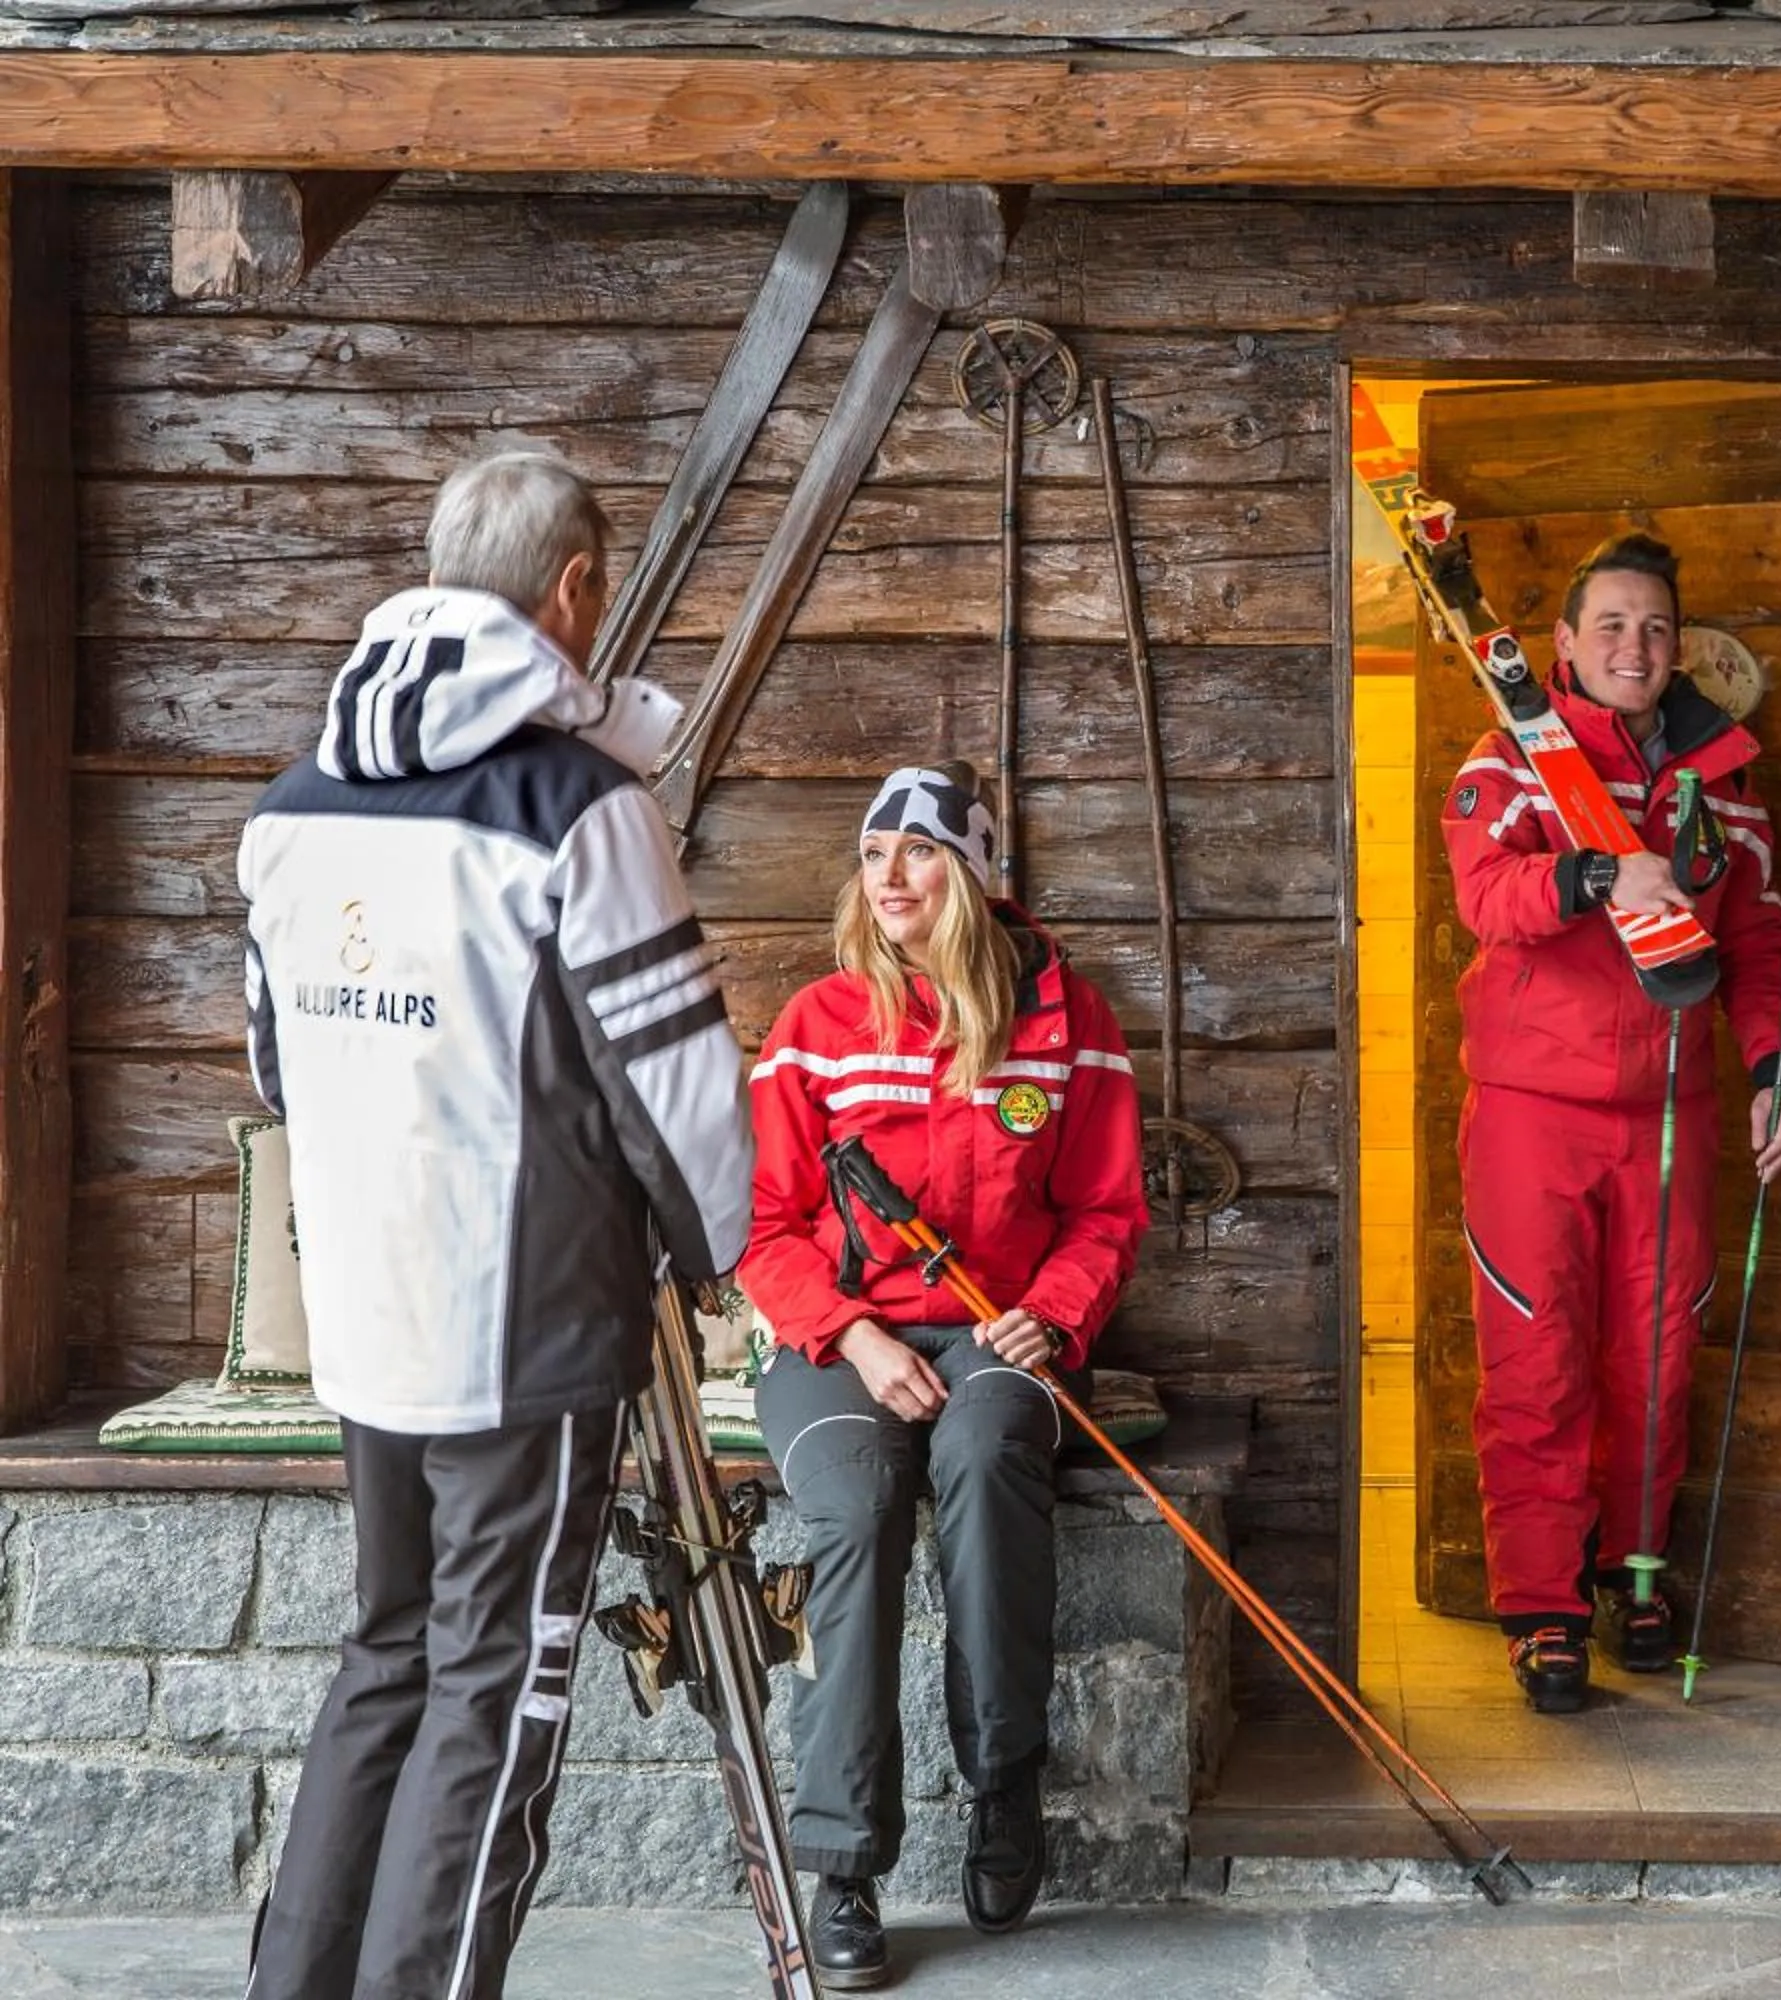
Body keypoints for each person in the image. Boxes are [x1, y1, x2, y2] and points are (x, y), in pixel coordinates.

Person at [238, 452, 752, 2000]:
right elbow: (676, 1088)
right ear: (574, 592)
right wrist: (721, 1263)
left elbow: (274, 1066)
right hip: (525, 1327)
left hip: (369, 1315)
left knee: (389, 1652)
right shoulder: (578, 809)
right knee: (494, 1694)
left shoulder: (293, 812)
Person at [739, 761, 1147, 1990]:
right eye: (874, 856)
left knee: (986, 1447)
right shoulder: (818, 1025)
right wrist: (852, 1335)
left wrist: (1053, 1314)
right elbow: (762, 1227)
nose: (891, 878)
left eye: (917, 853)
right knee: (855, 1505)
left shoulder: (1064, 1019)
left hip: (996, 1329)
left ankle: (1004, 1784)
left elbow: (1105, 1210)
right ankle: (843, 1861)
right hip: (839, 1338)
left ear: (971, 873)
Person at [1441, 532, 1781, 1714]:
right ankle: (1543, 1606)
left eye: (1655, 627)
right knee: (1536, 1359)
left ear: (1680, 643)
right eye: (1610, 626)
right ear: (1563, 645)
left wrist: (1776, 1071)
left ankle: (1633, 1569)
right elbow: (1482, 894)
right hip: (1530, 1114)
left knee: (1655, 1357)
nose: (1634, 647)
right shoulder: (1510, 763)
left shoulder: (1726, 781)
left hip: (1670, 1111)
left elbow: (1756, 946)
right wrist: (1596, 876)